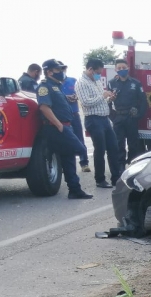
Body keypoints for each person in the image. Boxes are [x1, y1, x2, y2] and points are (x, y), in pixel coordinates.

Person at [36, 59, 93, 199]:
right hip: (57, 127)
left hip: (66, 125)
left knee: (69, 158)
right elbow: (44, 107)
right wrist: (59, 125)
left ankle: (74, 189)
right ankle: (72, 186)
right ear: (49, 71)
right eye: (58, 69)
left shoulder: (57, 85)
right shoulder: (44, 87)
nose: (61, 72)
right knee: (80, 149)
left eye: (62, 69)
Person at [75, 58, 120, 188]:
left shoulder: (97, 81)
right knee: (100, 149)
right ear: (90, 69)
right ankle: (100, 179)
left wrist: (109, 98)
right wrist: (103, 96)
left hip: (104, 118)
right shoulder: (81, 83)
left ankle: (116, 177)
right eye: (97, 72)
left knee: (113, 148)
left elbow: (101, 101)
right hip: (93, 119)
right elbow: (86, 102)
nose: (99, 75)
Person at [107, 58, 147, 171]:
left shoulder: (136, 83)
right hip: (118, 117)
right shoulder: (111, 83)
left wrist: (139, 115)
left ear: (128, 68)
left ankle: (132, 166)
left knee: (133, 144)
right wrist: (112, 116)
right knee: (119, 144)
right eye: (119, 68)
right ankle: (120, 168)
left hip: (131, 117)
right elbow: (108, 101)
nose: (121, 70)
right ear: (115, 69)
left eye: (124, 68)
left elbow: (143, 101)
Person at [61, 68, 91, 172]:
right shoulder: (54, 84)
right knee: (66, 141)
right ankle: (67, 166)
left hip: (74, 114)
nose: (62, 72)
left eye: (64, 69)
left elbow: (80, 92)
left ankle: (84, 163)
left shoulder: (73, 80)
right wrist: (66, 97)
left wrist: (76, 96)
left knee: (79, 138)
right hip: (62, 116)